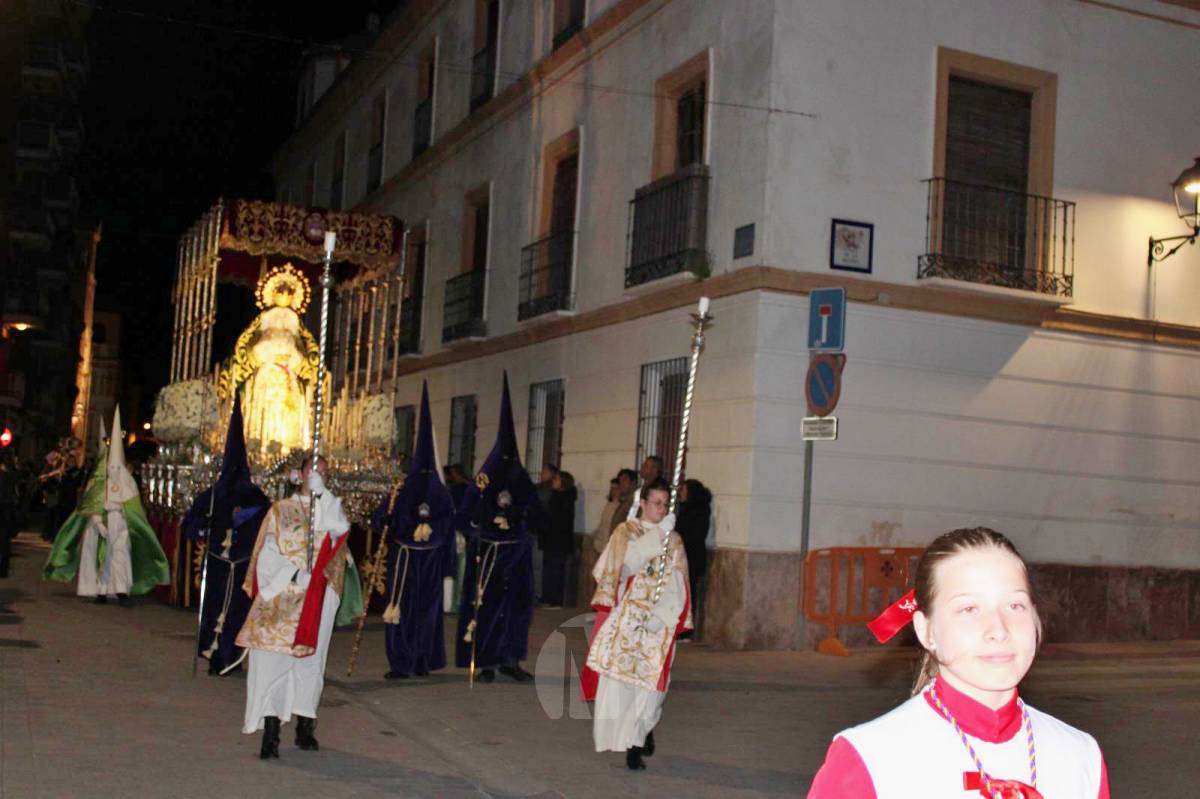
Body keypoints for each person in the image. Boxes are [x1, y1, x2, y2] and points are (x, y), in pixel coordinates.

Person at [807, 527, 1110, 798]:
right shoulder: (869, 758)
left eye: (1015, 605)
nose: (999, 629)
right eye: (969, 609)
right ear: (927, 631)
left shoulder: (1080, 755)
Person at [234, 455, 362, 759]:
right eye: (313, 470)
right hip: (281, 595)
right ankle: (271, 732)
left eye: (324, 472)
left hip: (316, 597)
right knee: (270, 662)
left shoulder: (330, 508)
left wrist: (324, 498)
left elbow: (339, 535)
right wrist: (292, 574)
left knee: (310, 664)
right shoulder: (281, 510)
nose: (319, 475)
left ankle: (306, 726)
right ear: (299, 474)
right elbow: (266, 552)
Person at [582, 479, 692, 771]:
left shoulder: (675, 539)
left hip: (659, 621)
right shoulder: (626, 531)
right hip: (629, 617)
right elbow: (622, 567)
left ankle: (643, 732)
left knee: (653, 689)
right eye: (655, 503)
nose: (661, 509)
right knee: (623, 685)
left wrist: (666, 615)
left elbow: (679, 582)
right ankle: (630, 744)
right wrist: (656, 537)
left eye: (665, 504)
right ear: (642, 503)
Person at [455, 373, 545, 683]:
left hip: (517, 553)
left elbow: (535, 510)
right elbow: (467, 510)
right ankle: (486, 662)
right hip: (491, 553)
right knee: (489, 607)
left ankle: (511, 659)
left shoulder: (520, 476)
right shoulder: (484, 476)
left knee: (517, 609)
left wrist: (517, 514)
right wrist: (484, 523)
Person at [371, 382, 456, 680]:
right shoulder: (402, 489)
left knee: (425, 612)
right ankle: (404, 661)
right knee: (403, 609)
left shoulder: (439, 494)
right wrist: (394, 523)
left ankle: (418, 660)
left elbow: (448, 525)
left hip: (426, 559)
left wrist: (426, 531)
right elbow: (381, 518)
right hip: (406, 558)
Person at [182, 397, 271, 674]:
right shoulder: (221, 496)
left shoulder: (225, 496)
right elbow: (192, 526)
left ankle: (223, 655)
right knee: (224, 609)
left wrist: (205, 528)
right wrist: (206, 526)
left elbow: (190, 527)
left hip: (233, 563)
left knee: (226, 609)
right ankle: (222, 656)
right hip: (228, 563)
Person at [43, 409, 170, 604]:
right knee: (104, 556)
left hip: (122, 522)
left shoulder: (128, 481)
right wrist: (96, 520)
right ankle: (102, 589)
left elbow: (134, 507)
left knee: (121, 556)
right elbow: (90, 504)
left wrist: (128, 523)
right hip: (102, 523)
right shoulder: (98, 482)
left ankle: (121, 590)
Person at [675, 478, 712, 641]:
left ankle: (685, 631)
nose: (680, 494)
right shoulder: (684, 509)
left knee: (688, 595)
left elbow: (694, 535)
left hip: (691, 558)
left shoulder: (699, 510)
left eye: (683, 491)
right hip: (682, 555)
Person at [579, 477, 621, 603]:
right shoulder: (609, 504)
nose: (614, 491)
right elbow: (602, 524)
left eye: (616, 488)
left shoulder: (619, 507)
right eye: (612, 488)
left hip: (608, 545)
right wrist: (593, 535)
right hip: (600, 544)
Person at [541, 469, 576, 608]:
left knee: (557, 571)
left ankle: (556, 600)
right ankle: (548, 598)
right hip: (550, 539)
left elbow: (559, 520)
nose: (553, 482)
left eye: (556, 479)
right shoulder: (554, 496)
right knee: (549, 570)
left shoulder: (566, 498)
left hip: (559, 541)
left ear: (563, 483)